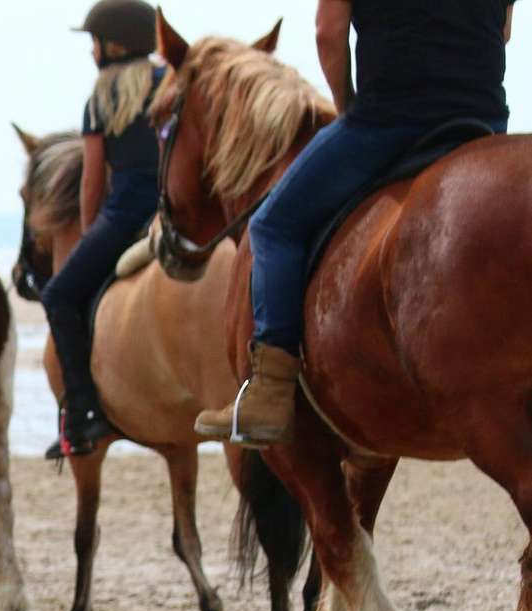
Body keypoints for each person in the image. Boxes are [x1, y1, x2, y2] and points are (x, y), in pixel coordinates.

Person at [195, 0, 514, 445]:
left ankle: (270, 391)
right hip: (482, 120)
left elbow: (329, 31)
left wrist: (349, 110)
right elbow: (503, 31)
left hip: (391, 120)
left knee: (273, 226)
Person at [39, 0, 166, 458]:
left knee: (58, 295)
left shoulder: (102, 96)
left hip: (126, 213)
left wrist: (90, 231)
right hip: (174, 210)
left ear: (112, 44)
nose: (91, 51)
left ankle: (84, 412)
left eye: (93, 42)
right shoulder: (172, 81)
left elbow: (92, 179)